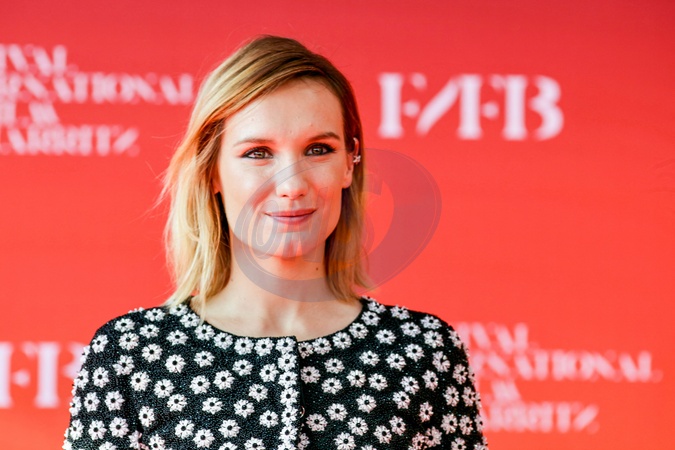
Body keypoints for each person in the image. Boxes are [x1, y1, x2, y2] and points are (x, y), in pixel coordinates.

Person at [63, 35, 488, 450]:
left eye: (318, 149)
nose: (292, 185)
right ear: (211, 171)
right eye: (258, 153)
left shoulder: (423, 350)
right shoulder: (132, 353)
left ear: (349, 163)